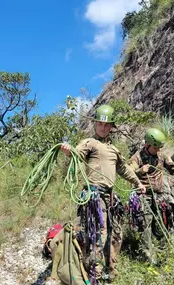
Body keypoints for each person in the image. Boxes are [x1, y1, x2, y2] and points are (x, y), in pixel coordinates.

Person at [61, 104, 146, 284]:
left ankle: (110, 270)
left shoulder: (114, 150)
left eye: (107, 125)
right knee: (97, 234)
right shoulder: (89, 143)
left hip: (110, 197)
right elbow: (76, 154)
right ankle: (94, 276)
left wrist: (138, 183)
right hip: (94, 196)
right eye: (100, 123)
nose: (103, 127)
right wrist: (69, 151)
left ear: (111, 127)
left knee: (115, 234)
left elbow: (124, 170)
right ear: (95, 124)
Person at [128, 128, 174, 264]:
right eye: (155, 147)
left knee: (165, 223)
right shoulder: (137, 157)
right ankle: (148, 259)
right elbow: (128, 173)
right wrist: (140, 171)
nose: (158, 150)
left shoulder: (161, 156)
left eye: (159, 147)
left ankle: (162, 255)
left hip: (159, 196)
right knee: (146, 225)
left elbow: (173, 167)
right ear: (147, 145)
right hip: (143, 195)